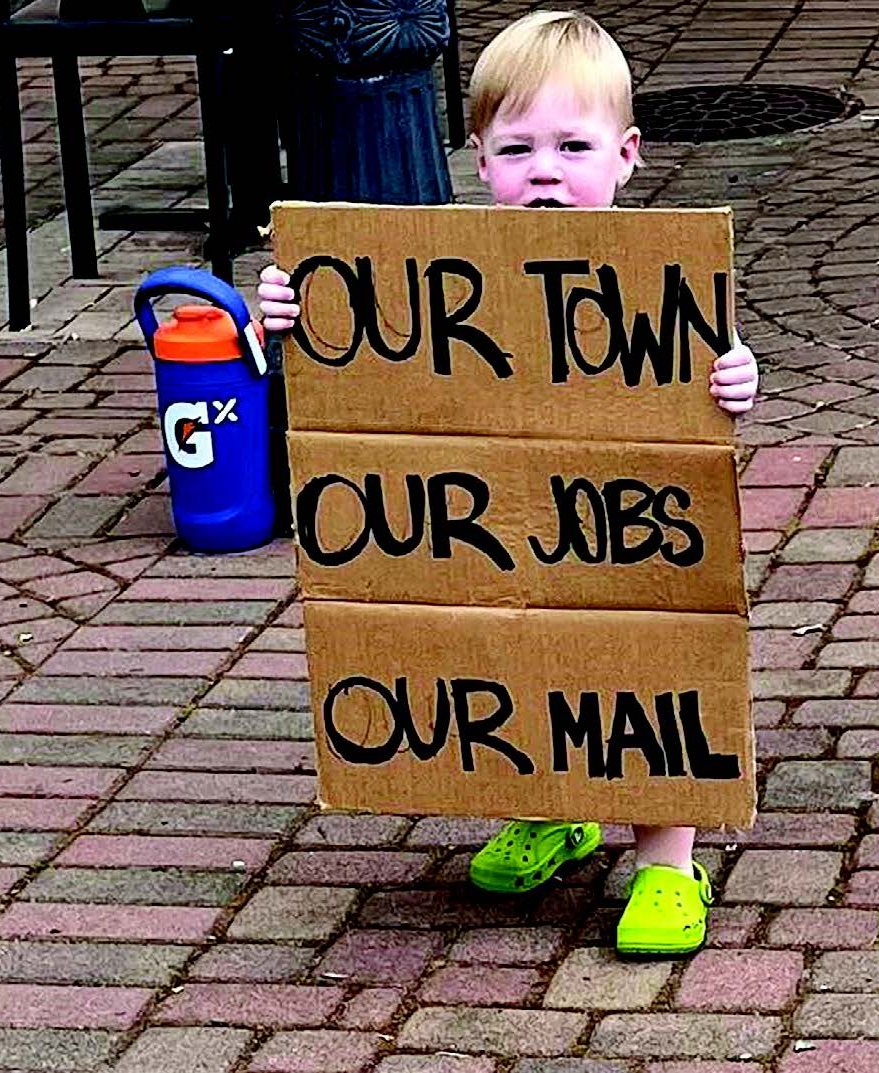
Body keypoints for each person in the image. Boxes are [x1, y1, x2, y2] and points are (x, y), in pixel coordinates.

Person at [257, 9, 759, 956]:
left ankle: (665, 858)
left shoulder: (657, 275)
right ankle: (552, 809)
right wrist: (284, 305)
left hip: (631, 538)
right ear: (478, 160)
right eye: (517, 146)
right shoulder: (436, 274)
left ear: (626, 156)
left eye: (573, 145)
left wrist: (738, 374)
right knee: (513, 650)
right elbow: (343, 333)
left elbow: (713, 352)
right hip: (509, 528)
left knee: (642, 670)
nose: (544, 170)